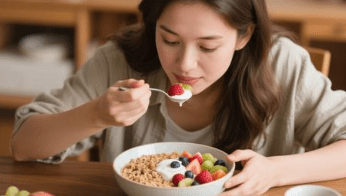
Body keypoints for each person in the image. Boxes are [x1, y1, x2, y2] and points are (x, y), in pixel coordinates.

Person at [10, 0, 346, 195]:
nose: (184, 64)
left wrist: (275, 171)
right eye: (169, 40)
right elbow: (24, 145)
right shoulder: (118, 60)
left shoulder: (282, 64)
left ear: (244, 36)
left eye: (208, 46)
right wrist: (96, 114)